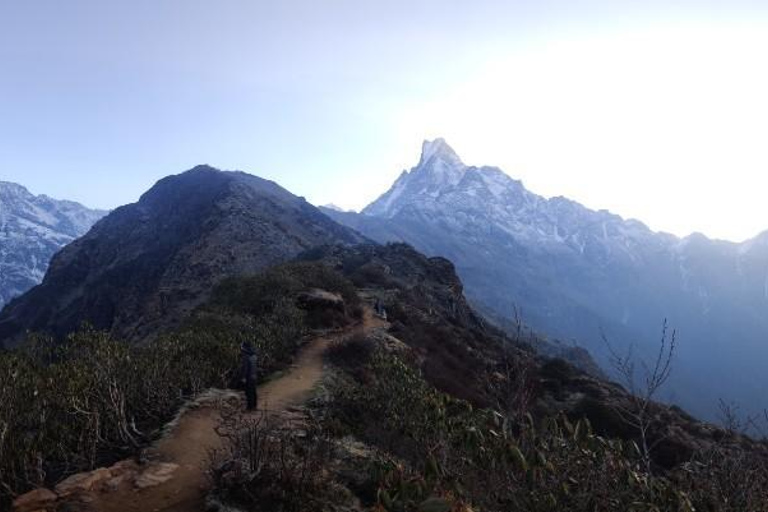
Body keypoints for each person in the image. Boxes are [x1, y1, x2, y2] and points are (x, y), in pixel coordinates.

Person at [240, 341, 258, 411]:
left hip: (249, 377)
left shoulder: (246, 357)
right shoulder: (254, 356)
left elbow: (245, 368)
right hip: (254, 376)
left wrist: (243, 377)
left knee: (248, 392)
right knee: (253, 392)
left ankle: (249, 408)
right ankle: (254, 406)